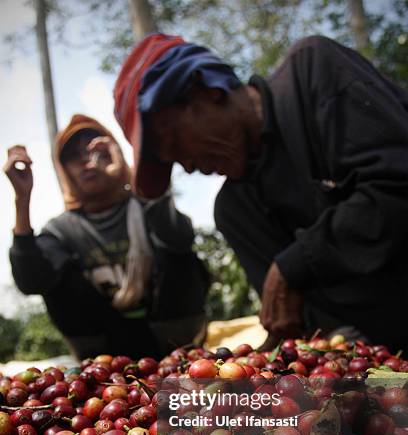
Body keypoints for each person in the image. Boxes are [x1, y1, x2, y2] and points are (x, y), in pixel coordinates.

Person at [112, 33, 408, 353]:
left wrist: (297, 262)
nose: (188, 166)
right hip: (384, 367)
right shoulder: (236, 210)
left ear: (206, 90)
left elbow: (396, 182)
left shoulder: (313, 71)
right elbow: (302, 324)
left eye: (174, 145)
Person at [4, 114, 208, 360]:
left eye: (98, 152)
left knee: (178, 254)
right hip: (105, 352)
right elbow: (31, 281)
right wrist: (22, 200)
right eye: (73, 156)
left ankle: (183, 350)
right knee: (57, 276)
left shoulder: (148, 206)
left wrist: (135, 178)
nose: (87, 162)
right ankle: (96, 363)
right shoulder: (61, 230)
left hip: (169, 337)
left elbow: (180, 237)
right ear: (64, 171)